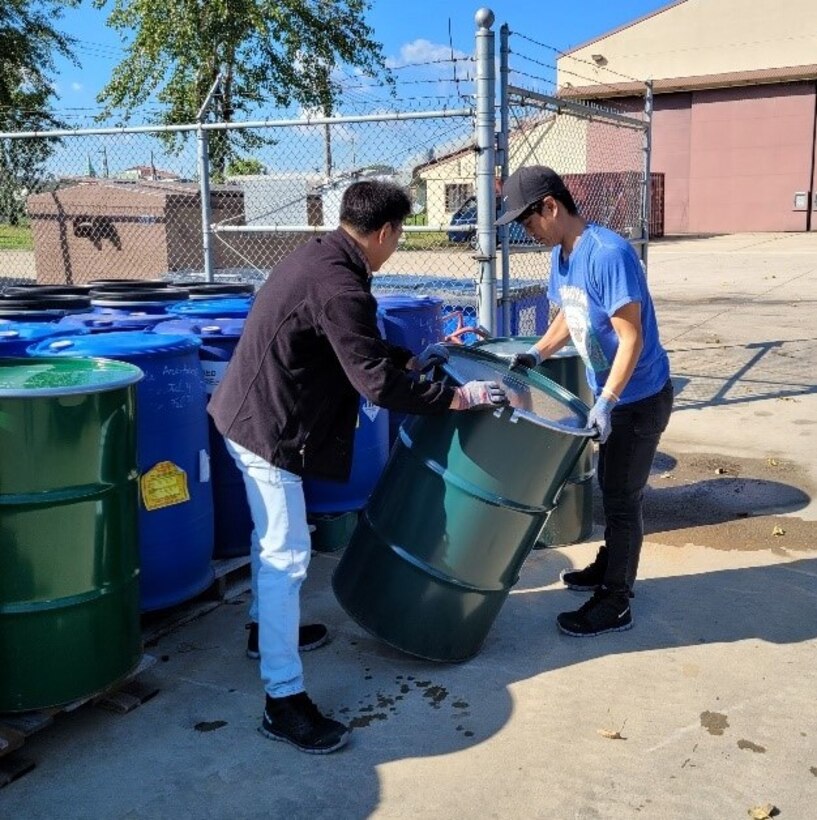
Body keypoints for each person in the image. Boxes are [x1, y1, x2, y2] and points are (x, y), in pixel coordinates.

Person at [208, 179, 507, 754]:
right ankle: (283, 700)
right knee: (286, 555)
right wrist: (456, 399)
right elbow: (372, 380)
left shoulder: (324, 255)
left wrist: (407, 357)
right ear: (387, 231)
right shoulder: (341, 281)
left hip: (245, 413)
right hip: (266, 430)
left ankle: (261, 633)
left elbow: (351, 343)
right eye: (401, 234)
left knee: (271, 546)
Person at [496, 166, 673, 638]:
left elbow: (630, 338)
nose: (526, 232)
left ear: (550, 206)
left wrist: (608, 400)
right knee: (610, 491)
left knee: (621, 500)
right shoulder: (562, 254)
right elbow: (566, 317)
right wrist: (535, 352)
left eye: (527, 221)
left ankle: (617, 601)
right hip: (615, 399)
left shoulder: (607, 253)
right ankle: (608, 564)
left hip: (638, 398)